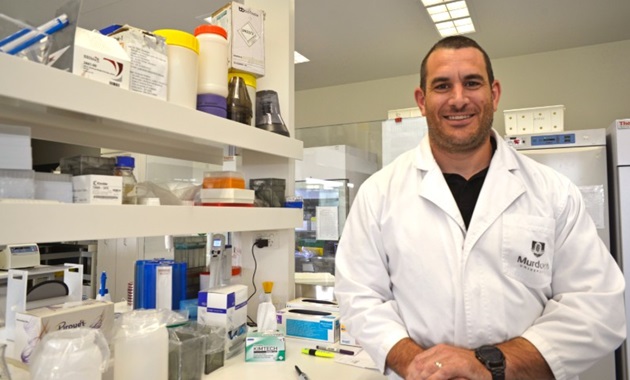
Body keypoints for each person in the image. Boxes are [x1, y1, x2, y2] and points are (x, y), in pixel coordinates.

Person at [334, 35, 626, 380]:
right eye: (442, 86)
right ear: (422, 100)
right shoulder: (378, 194)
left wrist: (491, 364)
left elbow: (597, 309)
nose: (458, 99)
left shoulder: (554, 192)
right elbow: (360, 297)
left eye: (472, 83)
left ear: (494, 94)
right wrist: (418, 364)